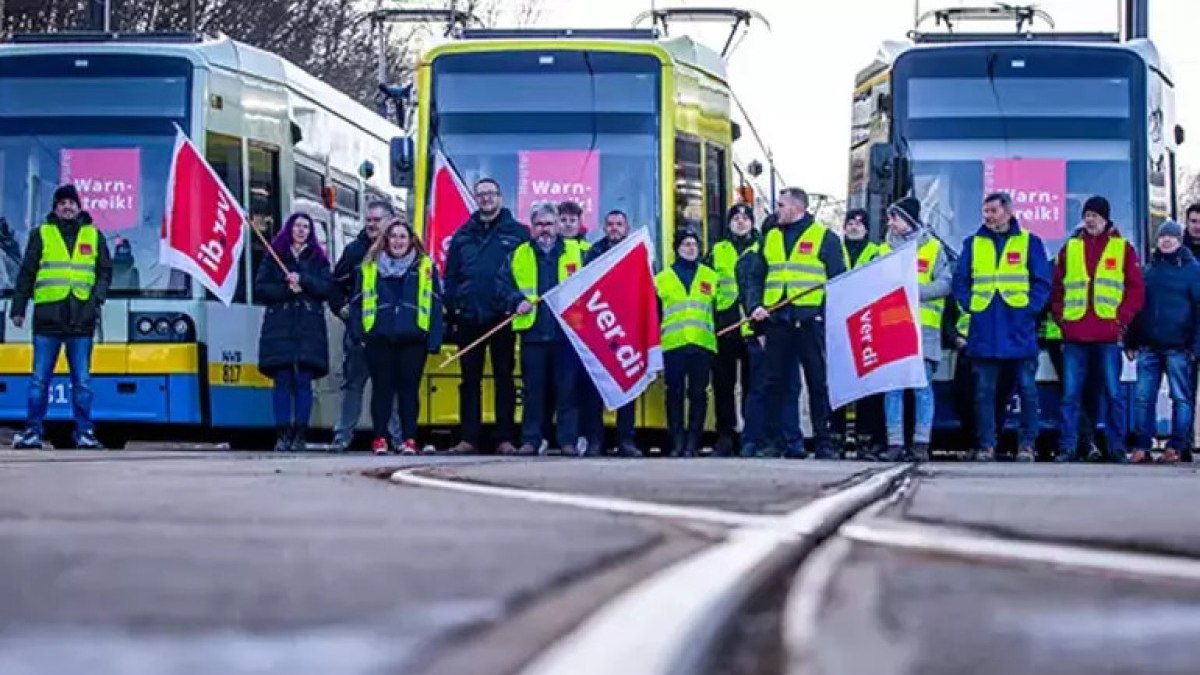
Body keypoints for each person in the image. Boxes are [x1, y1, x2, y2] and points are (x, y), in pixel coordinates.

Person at [742, 188, 848, 459]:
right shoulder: (770, 238)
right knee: (775, 382)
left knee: (817, 382)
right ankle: (777, 441)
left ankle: (823, 442)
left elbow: (838, 281)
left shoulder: (825, 238)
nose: (777, 210)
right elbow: (756, 276)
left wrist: (824, 314)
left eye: (781, 205)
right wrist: (755, 307)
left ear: (797, 207)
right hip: (777, 319)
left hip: (810, 319)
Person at [9, 185, 112, 450]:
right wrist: (18, 308)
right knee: (39, 381)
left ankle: (85, 433)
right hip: (48, 321)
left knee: (83, 382)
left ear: (79, 207)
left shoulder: (94, 235)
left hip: (82, 320)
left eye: (71, 203)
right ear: (55, 208)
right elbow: (27, 273)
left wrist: (95, 300)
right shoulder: (41, 234)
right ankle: (33, 432)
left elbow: (105, 272)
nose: (67, 207)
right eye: (62, 203)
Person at [951, 192, 1052, 462]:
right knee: (984, 391)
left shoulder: (1030, 242)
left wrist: (1028, 310)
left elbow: (1042, 282)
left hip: (1018, 328)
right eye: (986, 212)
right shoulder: (973, 244)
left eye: (993, 211)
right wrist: (971, 305)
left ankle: (1027, 444)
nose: (988, 216)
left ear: (1008, 212)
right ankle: (987, 445)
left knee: (1027, 389)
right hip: (985, 328)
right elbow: (960, 281)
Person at [1050, 196, 1144, 464]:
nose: (1090, 219)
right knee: (1070, 395)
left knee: (1113, 394)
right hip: (1075, 334)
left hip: (1107, 334)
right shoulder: (1070, 248)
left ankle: (1116, 447)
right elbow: (1057, 289)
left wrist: (1120, 320)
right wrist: (1062, 320)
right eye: (1087, 215)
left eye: (1095, 215)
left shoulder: (1122, 249)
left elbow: (1136, 291)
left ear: (1105, 218)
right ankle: (1067, 447)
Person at [444, 178, 528, 455]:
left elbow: (526, 273)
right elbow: (451, 276)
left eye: (491, 193)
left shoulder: (518, 234)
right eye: (481, 195)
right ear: (476, 199)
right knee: (469, 381)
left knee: (504, 379)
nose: (486, 199)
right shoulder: (462, 235)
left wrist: (517, 303)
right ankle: (469, 438)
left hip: (503, 318)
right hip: (469, 318)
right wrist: (455, 304)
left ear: (500, 197)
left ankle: (505, 438)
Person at [501, 202, 583, 456]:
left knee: (567, 392)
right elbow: (502, 285)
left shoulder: (577, 252)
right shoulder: (519, 254)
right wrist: (516, 301)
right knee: (533, 392)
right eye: (539, 225)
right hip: (533, 334)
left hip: (566, 335)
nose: (544, 229)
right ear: (532, 227)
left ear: (558, 225)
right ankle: (531, 440)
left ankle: (567, 441)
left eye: (549, 224)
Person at [357, 218, 444, 455]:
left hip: (414, 339)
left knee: (409, 391)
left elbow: (436, 305)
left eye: (403, 237)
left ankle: (409, 440)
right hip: (379, 337)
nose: (398, 241)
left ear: (411, 241)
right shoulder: (369, 267)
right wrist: (361, 335)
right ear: (386, 240)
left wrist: (434, 339)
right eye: (393, 236)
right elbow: (357, 302)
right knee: (381, 390)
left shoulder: (425, 267)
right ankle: (380, 439)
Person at [877, 197, 951, 462]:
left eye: (894, 218)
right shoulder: (883, 250)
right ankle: (895, 444)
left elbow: (945, 283)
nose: (890, 223)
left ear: (907, 220)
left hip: (923, 332)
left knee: (922, 388)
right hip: (893, 330)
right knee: (893, 389)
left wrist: (915, 292)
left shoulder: (933, 248)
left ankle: (921, 444)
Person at [255, 212, 336, 452]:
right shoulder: (274, 257)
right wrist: (286, 289)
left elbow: (326, 288)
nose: (301, 231)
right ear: (289, 229)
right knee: (282, 381)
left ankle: (300, 433)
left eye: (306, 227)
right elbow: (261, 289)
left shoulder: (319, 260)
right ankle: (282, 434)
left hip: (309, 330)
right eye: (298, 226)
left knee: (303, 382)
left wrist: (304, 280)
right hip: (279, 328)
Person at [1126, 220, 1199, 464]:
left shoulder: (1193, 271)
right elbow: (1138, 309)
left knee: (1181, 398)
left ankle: (1176, 446)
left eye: (1171, 237)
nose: (1166, 241)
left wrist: (1195, 347)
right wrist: (1131, 340)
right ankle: (1141, 447)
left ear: (1179, 241)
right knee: (1143, 398)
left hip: (1180, 348)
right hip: (1149, 347)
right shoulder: (1148, 270)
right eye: (1162, 237)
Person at [330, 201, 401, 452]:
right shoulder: (354, 251)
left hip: (392, 333)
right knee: (353, 385)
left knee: (391, 387)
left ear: (391, 220)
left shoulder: (403, 249)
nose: (371, 224)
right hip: (359, 334)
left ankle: (397, 438)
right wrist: (340, 308)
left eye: (376, 220)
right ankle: (342, 437)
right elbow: (334, 285)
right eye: (368, 220)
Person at [581, 210, 642, 457]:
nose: (615, 228)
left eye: (619, 224)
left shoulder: (638, 253)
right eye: (610, 224)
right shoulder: (593, 254)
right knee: (595, 388)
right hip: (599, 328)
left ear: (627, 227)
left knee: (628, 384)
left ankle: (626, 440)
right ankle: (596, 441)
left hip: (626, 329)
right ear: (604, 228)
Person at [657, 229, 719, 457]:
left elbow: (718, 310)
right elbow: (655, 314)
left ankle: (693, 442)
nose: (691, 248)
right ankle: (677, 441)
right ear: (677, 248)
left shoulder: (710, 276)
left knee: (698, 394)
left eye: (694, 244)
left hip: (702, 344)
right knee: (674, 394)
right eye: (686, 244)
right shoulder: (662, 278)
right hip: (673, 345)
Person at [707, 203, 760, 457]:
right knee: (723, 385)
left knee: (753, 386)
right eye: (736, 218)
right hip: (725, 326)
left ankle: (750, 436)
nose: (740, 222)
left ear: (752, 222)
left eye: (745, 218)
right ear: (729, 224)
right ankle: (725, 435)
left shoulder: (761, 248)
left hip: (752, 326)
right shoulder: (718, 250)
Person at [833, 208, 885, 457]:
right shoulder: (833, 250)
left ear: (867, 228)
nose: (854, 227)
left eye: (859, 223)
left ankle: (866, 436)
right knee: (838, 381)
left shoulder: (877, 252)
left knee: (868, 383)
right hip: (839, 324)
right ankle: (838, 434)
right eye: (850, 223)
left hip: (867, 324)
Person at [1185, 203, 1200, 457]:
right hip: (1184, 332)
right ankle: (1185, 442)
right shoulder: (1178, 251)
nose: (1198, 226)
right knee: (1184, 392)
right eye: (1194, 221)